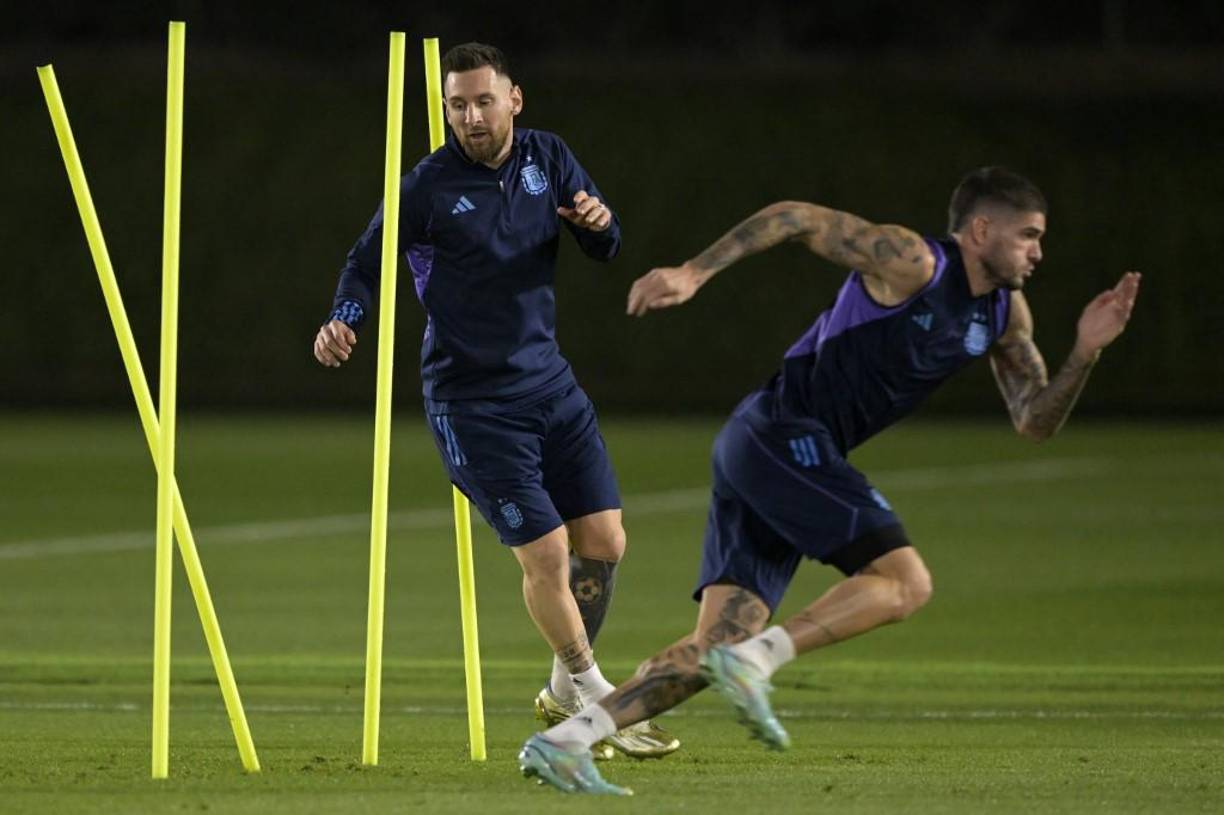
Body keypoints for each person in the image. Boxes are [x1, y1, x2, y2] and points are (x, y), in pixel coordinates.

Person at [517, 167, 1141, 794]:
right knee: (906, 584)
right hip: (782, 434)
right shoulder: (915, 262)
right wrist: (693, 272)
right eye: (1028, 235)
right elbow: (796, 216)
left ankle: (565, 743)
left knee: (715, 645)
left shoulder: (1005, 314)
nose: (1038, 252)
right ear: (981, 230)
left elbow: (1034, 420)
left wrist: (1085, 352)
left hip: (768, 450)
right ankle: (756, 661)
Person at [313, 42, 678, 759]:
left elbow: (606, 244)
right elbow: (364, 261)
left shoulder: (549, 156)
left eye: (484, 101)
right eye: (458, 105)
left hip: (550, 384)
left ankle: (562, 693)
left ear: (514, 99)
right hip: (472, 402)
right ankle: (601, 700)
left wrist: (599, 224)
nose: (472, 117)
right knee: (546, 554)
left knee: (605, 542)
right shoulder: (426, 186)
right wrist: (343, 320)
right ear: (446, 110)